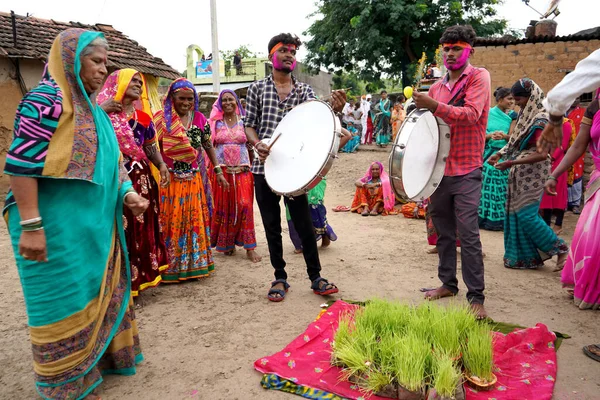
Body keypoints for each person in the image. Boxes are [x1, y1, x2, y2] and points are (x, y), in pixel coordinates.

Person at [3, 29, 148, 399]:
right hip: (52, 225)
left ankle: (97, 360)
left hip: (93, 226)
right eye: (95, 61)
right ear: (70, 59)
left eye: (105, 62)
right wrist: (33, 226)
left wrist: (129, 194)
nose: (103, 70)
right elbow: (20, 166)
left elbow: (111, 164)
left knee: (94, 290)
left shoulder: (94, 110)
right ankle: (66, 381)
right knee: (60, 298)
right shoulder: (44, 101)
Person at [244, 33, 347, 302]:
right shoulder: (256, 89)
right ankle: (280, 277)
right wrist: (257, 144)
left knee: (303, 223)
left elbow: (315, 124)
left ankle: (316, 277)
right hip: (262, 167)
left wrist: (335, 110)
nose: (290, 55)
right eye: (284, 50)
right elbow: (249, 125)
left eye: (293, 51)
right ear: (271, 56)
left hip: (295, 170)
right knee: (271, 225)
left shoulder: (304, 92)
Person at [412, 25, 489, 318]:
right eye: (446, 49)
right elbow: (429, 131)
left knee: (468, 235)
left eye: (457, 48)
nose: (450, 54)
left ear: (470, 50)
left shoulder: (478, 76)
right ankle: (447, 283)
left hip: (467, 168)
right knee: (443, 232)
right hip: (439, 171)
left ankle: (476, 297)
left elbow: (471, 115)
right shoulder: (436, 86)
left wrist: (434, 105)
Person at [539, 48, 600, 364]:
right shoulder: (597, 101)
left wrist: (553, 117)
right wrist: (555, 173)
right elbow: (580, 144)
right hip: (599, 185)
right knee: (591, 243)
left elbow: (559, 96)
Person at [98, 69, 170, 297]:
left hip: (142, 181)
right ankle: (118, 286)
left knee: (142, 231)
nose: (139, 85)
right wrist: (100, 112)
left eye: (140, 82)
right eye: (133, 81)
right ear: (118, 84)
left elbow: (149, 147)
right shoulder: (102, 114)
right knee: (118, 232)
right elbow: (86, 135)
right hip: (113, 181)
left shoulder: (144, 118)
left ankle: (139, 282)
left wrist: (161, 165)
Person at [488, 78, 568, 271]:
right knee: (515, 212)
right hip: (519, 170)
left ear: (530, 97)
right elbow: (515, 139)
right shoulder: (526, 115)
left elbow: (542, 154)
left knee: (527, 215)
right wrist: (499, 153)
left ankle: (561, 249)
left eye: (519, 100)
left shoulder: (542, 118)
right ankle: (526, 257)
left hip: (534, 171)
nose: (517, 104)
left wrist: (511, 162)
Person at [153, 78, 229, 282]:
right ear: (172, 98)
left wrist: (218, 170)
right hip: (170, 180)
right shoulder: (162, 119)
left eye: (190, 99)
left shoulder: (199, 119)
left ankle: (195, 265)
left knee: (193, 221)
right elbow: (151, 147)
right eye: (181, 98)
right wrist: (160, 168)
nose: (186, 103)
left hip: (193, 179)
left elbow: (208, 145)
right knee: (171, 222)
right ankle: (170, 268)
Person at [208, 89, 261, 262]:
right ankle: (228, 244)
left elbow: (251, 147)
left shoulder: (245, 122)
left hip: (243, 171)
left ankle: (249, 247)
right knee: (224, 207)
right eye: (224, 100)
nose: (228, 103)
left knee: (244, 205)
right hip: (222, 172)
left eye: (231, 99)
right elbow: (209, 147)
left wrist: (251, 167)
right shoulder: (215, 123)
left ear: (237, 102)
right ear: (220, 104)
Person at [478, 87, 517, 231]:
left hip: (504, 154)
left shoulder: (513, 116)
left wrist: (504, 136)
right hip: (488, 154)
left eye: (513, 99)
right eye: (509, 99)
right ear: (500, 100)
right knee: (486, 178)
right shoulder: (488, 114)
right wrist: (491, 135)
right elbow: (480, 134)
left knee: (500, 182)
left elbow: (514, 137)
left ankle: (499, 220)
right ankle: (484, 218)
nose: (512, 102)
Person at [539, 118, 574, 235]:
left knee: (558, 194)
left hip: (558, 162)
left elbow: (562, 146)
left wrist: (551, 158)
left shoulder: (566, 124)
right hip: (545, 160)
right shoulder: (545, 121)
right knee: (546, 196)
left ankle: (558, 225)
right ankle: (546, 224)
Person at [286, 178, 337, 253]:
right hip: (293, 179)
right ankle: (299, 244)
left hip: (312, 178)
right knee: (293, 209)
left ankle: (324, 235)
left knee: (314, 210)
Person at [566, 100, 586, 214]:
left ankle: (575, 204)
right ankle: (565, 202)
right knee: (564, 173)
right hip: (564, 147)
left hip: (578, 147)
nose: (575, 99)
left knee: (577, 173)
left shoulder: (584, 112)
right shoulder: (562, 112)